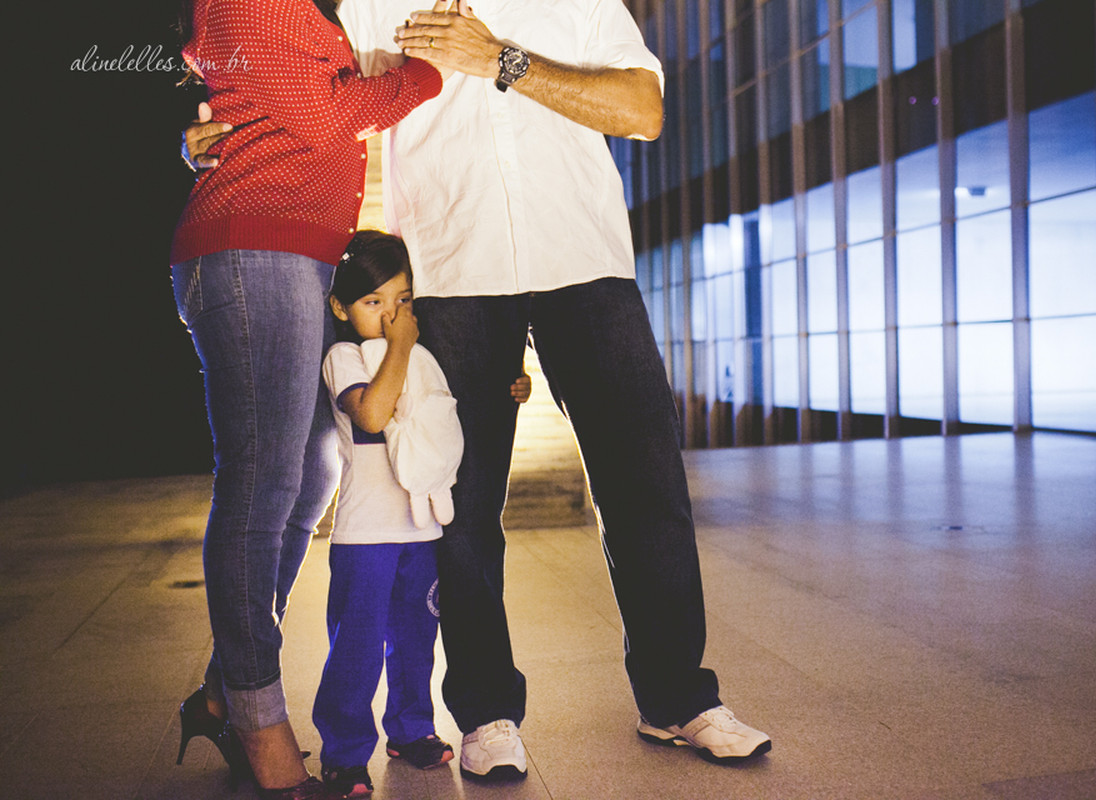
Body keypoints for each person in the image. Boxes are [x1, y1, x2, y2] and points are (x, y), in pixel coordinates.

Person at [186, 0, 770, 781]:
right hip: (454, 274)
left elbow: (643, 108)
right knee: (457, 506)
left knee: (647, 485)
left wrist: (502, 59)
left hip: (586, 262)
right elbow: (302, 98)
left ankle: (679, 699)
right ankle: (487, 712)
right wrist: (210, 136)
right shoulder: (371, 5)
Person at [169, 0, 442, 797]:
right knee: (261, 486)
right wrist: (421, 75)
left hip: (300, 255)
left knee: (314, 473)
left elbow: (267, 106)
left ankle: (224, 688)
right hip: (255, 247)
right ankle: (257, 719)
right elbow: (324, 118)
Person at [315, 230, 530, 797]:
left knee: (416, 640)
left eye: (402, 300)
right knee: (357, 646)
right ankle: (343, 751)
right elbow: (372, 415)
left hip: (421, 529)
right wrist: (402, 346)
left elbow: (447, 414)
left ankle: (410, 729)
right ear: (341, 307)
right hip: (365, 535)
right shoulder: (345, 356)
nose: (391, 316)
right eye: (374, 303)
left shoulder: (424, 356)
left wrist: (512, 386)